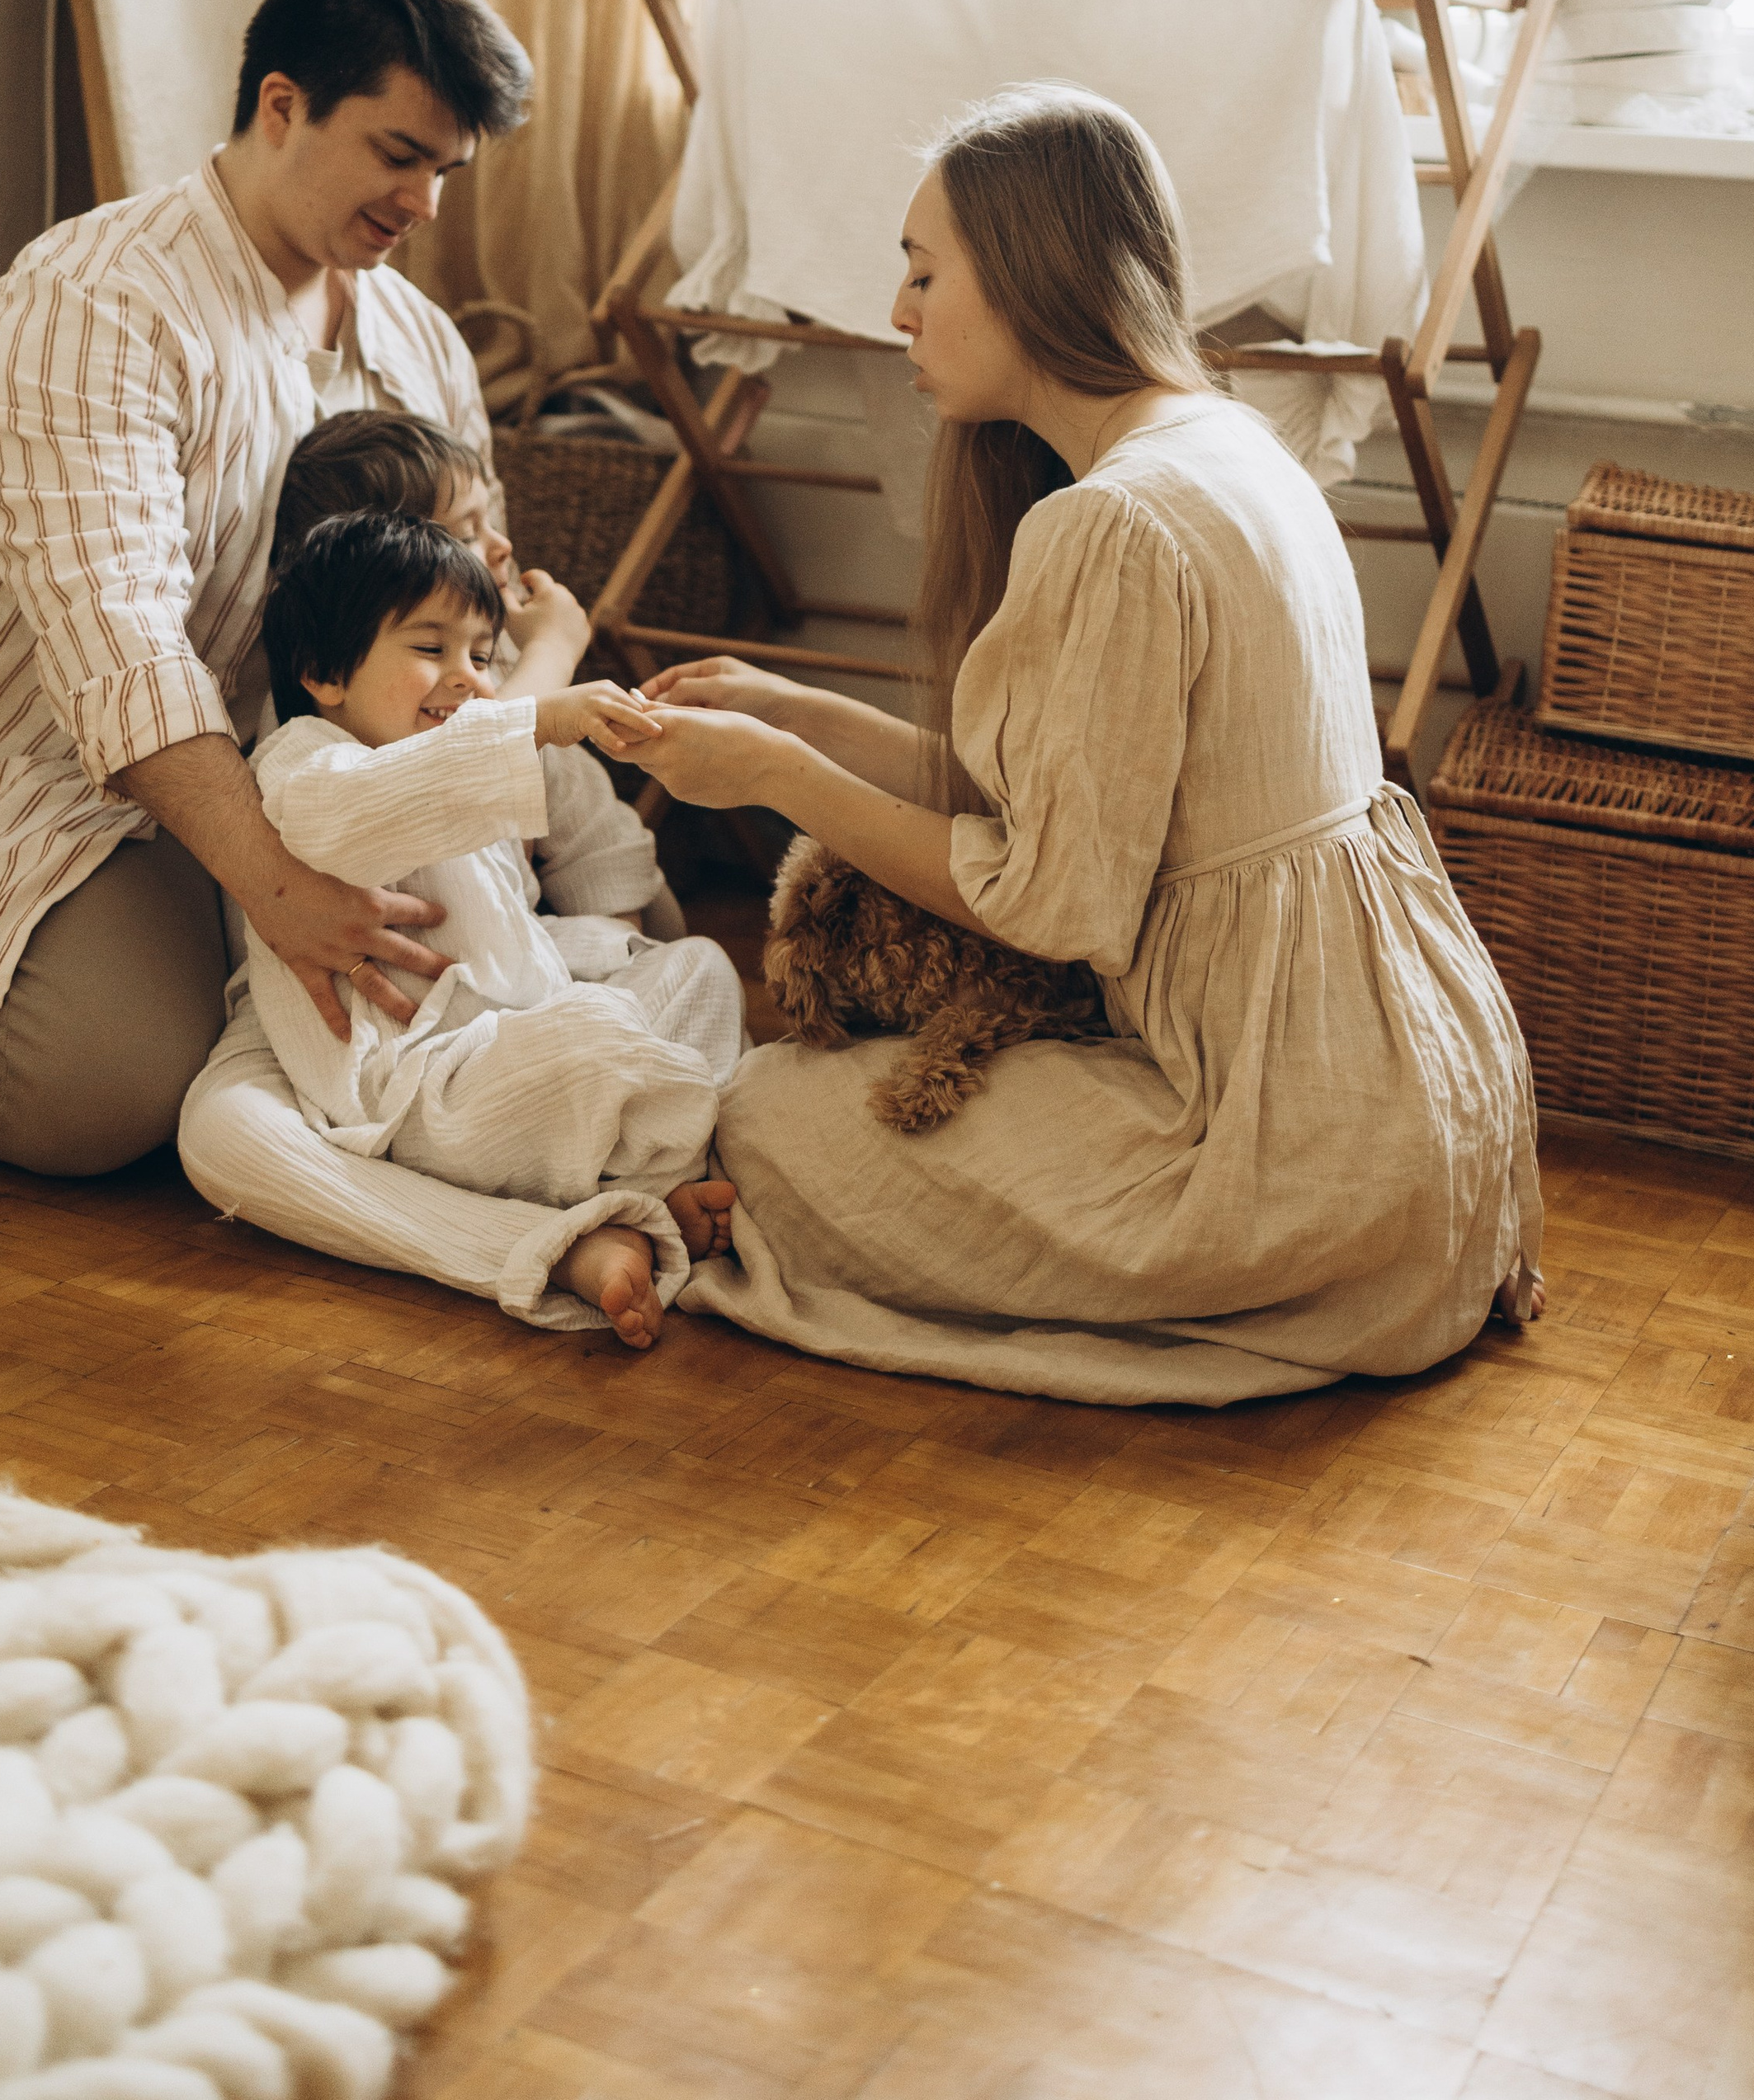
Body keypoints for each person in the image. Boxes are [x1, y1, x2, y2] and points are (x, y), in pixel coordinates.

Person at [605, 83, 1544, 1405]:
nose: (898, 314)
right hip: (1415, 1106)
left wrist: (774, 778)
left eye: (925, 273)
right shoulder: (1229, 446)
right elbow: (1075, 801)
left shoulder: (1111, 522)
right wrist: (800, 712)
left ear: (1035, 277)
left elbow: (1050, 898)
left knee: (763, 1118)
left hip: (1277, 1145)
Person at [0, 0, 537, 1176]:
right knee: (96, 1097)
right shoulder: (98, 301)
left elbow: (477, 595)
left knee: (523, 941)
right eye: (399, 154)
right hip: (53, 778)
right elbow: (124, 643)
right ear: (282, 106)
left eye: (449, 171)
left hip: (305, 763)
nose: (427, 205)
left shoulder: (420, 342)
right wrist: (271, 884)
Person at [238, 510, 738, 1343]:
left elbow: (520, 928)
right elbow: (355, 816)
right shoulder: (303, 762)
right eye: (431, 650)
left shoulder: (465, 759)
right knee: (595, 1032)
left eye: (480, 654)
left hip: (517, 1041)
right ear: (324, 671)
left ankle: (647, 1184)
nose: (470, 679)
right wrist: (535, 720)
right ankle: (671, 1183)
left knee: (698, 967)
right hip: (419, 1096)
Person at [261, 409, 689, 941]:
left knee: (685, 953)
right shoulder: (311, 725)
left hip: (534, 960)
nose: (501, 545)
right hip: (432, 995)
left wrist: (619, 956)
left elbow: (594, 835)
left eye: (492, 521)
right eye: (467, 532)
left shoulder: (474, 671)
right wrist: (552, 652)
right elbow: (458, 761)